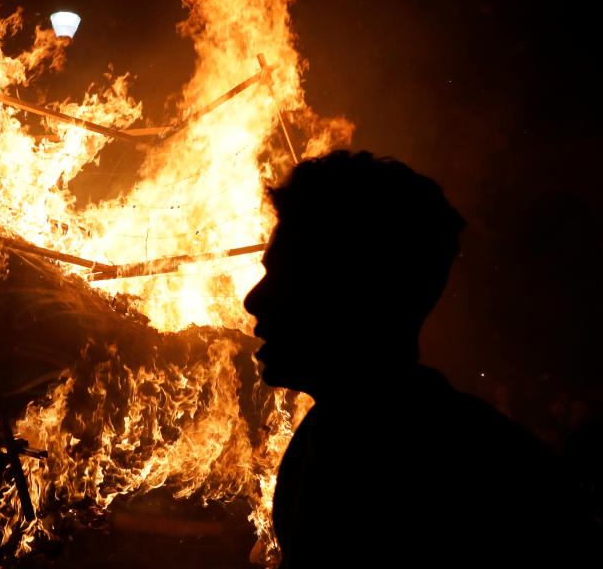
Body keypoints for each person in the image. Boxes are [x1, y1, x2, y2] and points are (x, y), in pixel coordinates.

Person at [244, 151, 599, 568]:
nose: (254, 299)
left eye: (284, 277)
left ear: (354, 296)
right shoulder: (322, 439)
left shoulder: (483, 479)